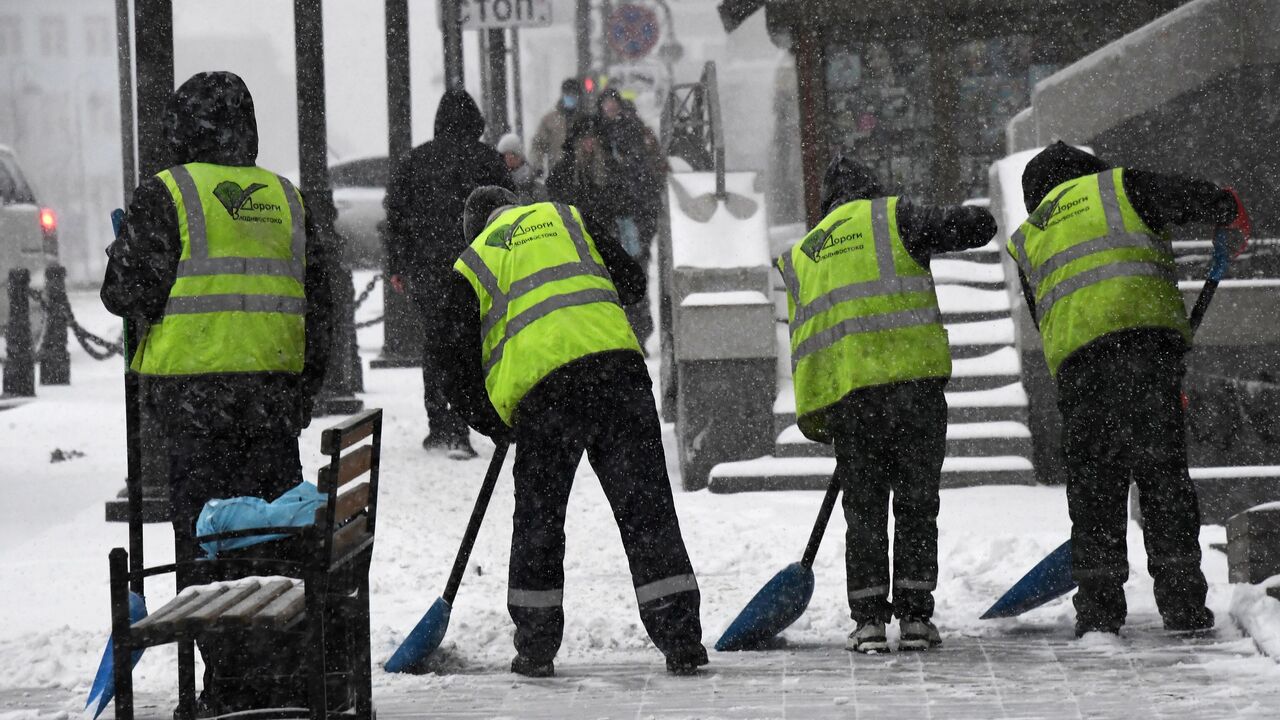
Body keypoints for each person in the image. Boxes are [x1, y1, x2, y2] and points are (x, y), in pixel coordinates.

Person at [100, 71, 335, 714]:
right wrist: (300, 389)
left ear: (184, 127)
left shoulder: (166, 195)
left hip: (194, 411)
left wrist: (123, 253)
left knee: (206, 551)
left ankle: (231, 689)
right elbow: (323, 304)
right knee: (267, 547)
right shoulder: (287, 197)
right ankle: (274, 683)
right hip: (270, 410)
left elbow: (125, 294)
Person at [434, 185, 708, 677]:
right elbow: (628, 278)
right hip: (619, 375)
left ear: (475, 227)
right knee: (647, 510)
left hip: (547, 398)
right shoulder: (567, 219)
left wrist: (492, 423)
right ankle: (682, 638)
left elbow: (452, 367)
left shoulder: (472, 263)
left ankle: (536, 648)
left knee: (539, 522)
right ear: (515, 207)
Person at [1009, 141, 1250, 638]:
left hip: (1080, 370)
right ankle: (1183, 607)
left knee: (1094, 492)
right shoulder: (1121, 187)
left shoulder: (1028, 236)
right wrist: (1226, 210)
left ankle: (1099, 615)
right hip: (1146, 354)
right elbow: (1194, 199)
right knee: (1164, 482)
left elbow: (1042, 315)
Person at [777, 154, 995, 654]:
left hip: (853, 399)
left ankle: (870, 622)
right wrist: (967, 214)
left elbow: (808, 344)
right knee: (918, 505)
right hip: (914, 390)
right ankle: (916, 619)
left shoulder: (804, 254)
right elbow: (977, 226)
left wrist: (822, 414)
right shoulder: (895, 217)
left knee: (865, 512)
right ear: (872, 189)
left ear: (827, 203)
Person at [384, 89, 513, 460]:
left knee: (437, 345)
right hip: (479, 268)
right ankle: (477, 415)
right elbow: (509, 214)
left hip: (431, 271)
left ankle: (443, 424)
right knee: (477, 342)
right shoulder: (489, 161)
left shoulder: (414, 162)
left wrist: (399, 264)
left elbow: (395, 217)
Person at [596, 88, 666, 347]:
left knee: (633, 274)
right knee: (618, 277)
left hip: (634, 216)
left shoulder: (636, 132)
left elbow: (650, 172)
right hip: (615, 217)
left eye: (612, 103)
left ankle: (636, 331)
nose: (610, 108)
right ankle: (626, 332)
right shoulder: (597, 135)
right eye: (606, 104)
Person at [530, 78, 582, 178]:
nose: (571, 97)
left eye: (573, 94)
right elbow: (538, 144)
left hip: (581, 178)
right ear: (562, 95)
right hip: (557, 175)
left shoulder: (585, 119)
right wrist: (538, 166)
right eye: (568, 93)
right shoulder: (550, 120)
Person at [497, 132, 549, 204]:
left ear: (520, 156)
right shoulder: (500, 180)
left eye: (513, 154)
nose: (509, 158)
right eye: (505, 155)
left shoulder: (533, 182)